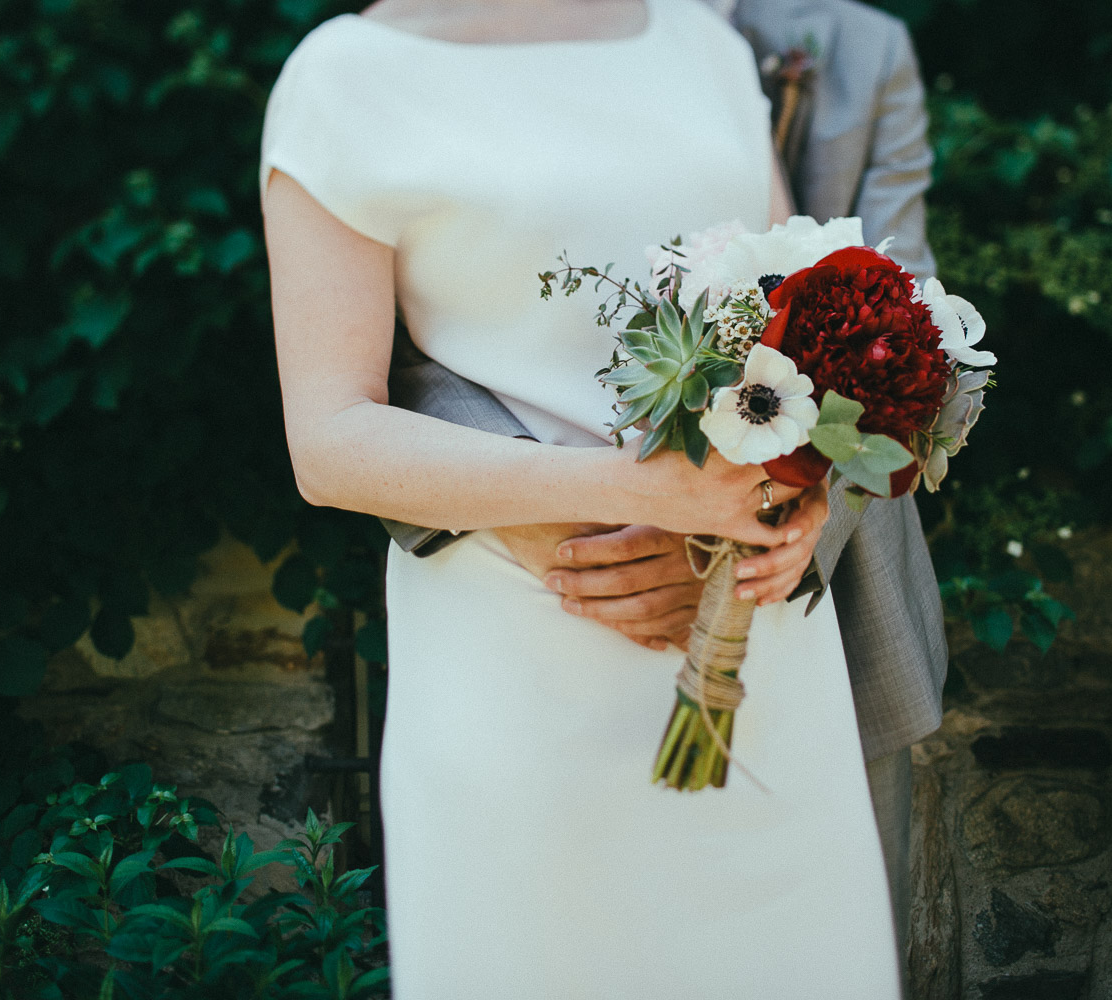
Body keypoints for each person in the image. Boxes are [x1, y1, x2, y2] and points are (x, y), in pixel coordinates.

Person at [260, 0, 930, 994]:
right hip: (524, 652)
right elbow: (331, 441)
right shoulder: (344, 77)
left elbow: (805, 317)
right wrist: (641, 494)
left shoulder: (697, 41)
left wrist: (805, 494)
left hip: (754, 642)